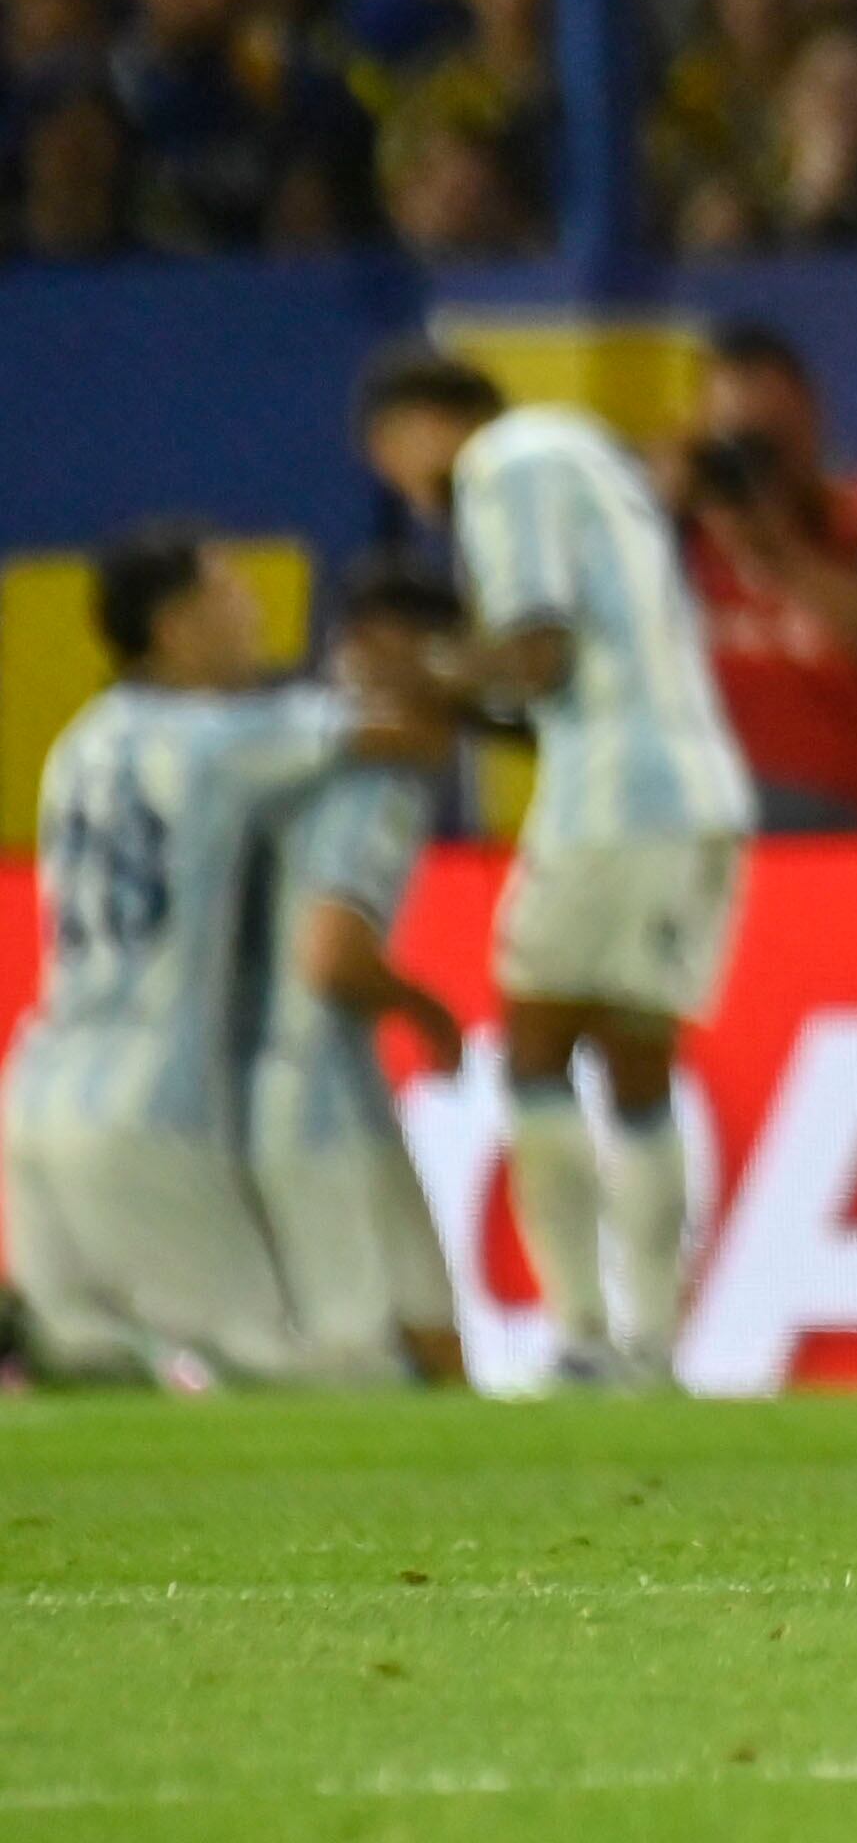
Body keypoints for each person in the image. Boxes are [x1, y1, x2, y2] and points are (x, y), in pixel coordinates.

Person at [354, 341, 758, 1392]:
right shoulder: (588, 456)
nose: (409, 490)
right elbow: (566, 681)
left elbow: (539, 655)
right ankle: (653, 1347)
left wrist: (423, 670)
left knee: (536, 1051)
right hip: (699, 793)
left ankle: (580, 1335)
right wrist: (458, 691)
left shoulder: (503, 464)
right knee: (639, 1068)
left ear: (418, 424)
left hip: (613, 802)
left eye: (393, 459)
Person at [2, 522, 442, 1385]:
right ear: (174, 626)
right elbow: (406, 733)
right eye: (230, 594)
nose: (254, 615)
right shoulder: (222, 740)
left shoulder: (77, 745)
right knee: (290, 1371)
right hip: (148, 1111)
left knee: (91, 1365)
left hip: (36, 1098)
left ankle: (48, 1337)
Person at [247, 547, 469, 1388]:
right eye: (443, 654)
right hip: (311, 1094)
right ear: (377, 642)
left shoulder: (271, 747)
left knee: (430, 1335)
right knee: (366, 1361)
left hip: (266, 1078)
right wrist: (426, 1010)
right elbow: (331, 955)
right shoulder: (381, 775)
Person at [675, 317, 857, 829]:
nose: (753, 470)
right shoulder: (674, 542)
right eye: (733, 447)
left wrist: (783, 559)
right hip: (706, 842)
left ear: (809, 429)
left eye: (768, 446)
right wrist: (647, 508)